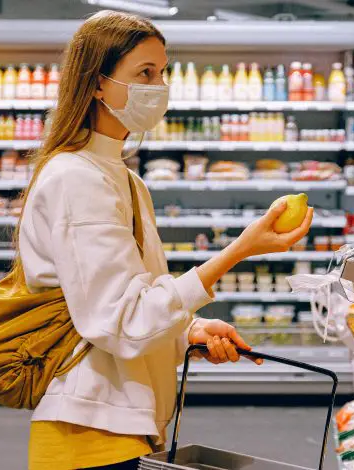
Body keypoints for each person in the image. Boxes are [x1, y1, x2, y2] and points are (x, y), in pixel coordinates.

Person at [17, 10, 313, 470]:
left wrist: (185, 333)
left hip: (125, 427)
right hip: (89, 435)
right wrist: (240, 250)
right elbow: (123, 321)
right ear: (98, 84)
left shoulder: (125, 179)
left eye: (163, 72)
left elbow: (132, 304)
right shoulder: (76, 179)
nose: (159, 86)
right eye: (145, 73)